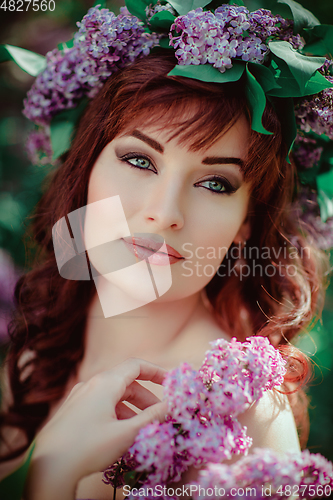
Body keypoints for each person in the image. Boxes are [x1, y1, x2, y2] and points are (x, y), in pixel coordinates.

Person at [0, 1, 332, 499]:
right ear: (87, 169)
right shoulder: (38, 350)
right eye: (139, 159)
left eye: (216, 183)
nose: (164, 212)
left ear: (246, 224)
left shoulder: (237, 413)